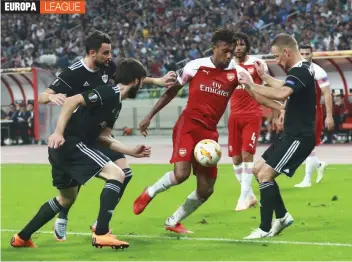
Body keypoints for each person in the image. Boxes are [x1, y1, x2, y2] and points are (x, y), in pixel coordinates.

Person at [133, 27, 282, 234]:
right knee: (181, 174)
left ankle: (173, 221)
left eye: (232, 51)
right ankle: (149, 192)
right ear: (214, 48)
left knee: (206, 189)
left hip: (209, 135)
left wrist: (279, 106)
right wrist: (149, 116)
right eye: (225, 51)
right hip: (188, 126)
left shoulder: (237, 72)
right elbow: (172, 91)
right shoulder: (195, 66)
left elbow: (255, 95)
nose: (229, 55)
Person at [38, 30, 176, 241]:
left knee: (124, 173)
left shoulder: (107, 66)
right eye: (106, 53)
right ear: (92, 53)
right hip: (79, 130)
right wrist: (51, 96)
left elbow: (131, 79)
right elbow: (42, 96)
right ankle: (63, 215)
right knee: (76, 182)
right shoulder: (73, 73)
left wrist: (157, 81)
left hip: (99, 130)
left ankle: (100, 224)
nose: (110, 57)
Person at [11, 58, 151, 249]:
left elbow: (104, 138)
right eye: (142, 81)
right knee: (117, 174)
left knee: (66, 198)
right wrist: (58, 132)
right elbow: (72, 100)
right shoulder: (109, 92)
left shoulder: (116, 103)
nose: (142, 85)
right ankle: (101, 233)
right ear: (136, 81)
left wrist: (131, 152)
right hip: (69, 144)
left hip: (63, 149)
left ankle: (21, 238)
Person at [238, 33, 316, 239]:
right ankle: (282, 216)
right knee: (257, 169)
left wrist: (253, 85)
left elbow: (282, 94)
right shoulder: (302, 70)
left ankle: (264, 228)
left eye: (278, 56)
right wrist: (262, 78)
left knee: (265, 175)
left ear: (287, 52)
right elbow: (281, 87)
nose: (277, 61)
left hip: (299, 137)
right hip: (290, 134)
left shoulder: (301, 70)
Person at [228, 32, 271, 211]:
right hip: (234, 115)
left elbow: (267, 87)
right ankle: (250, 196)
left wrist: (273, 112)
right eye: (235, 45)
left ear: (247, 46)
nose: (238, 48)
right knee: (236, 159)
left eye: (241, 44)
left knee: (247, 155)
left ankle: (242, 198)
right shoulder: (227, 65)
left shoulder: (258, 63)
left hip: (252, 114)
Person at [294, 44, 334, 187]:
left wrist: (329, 116)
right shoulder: (295, 70)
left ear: (312, 55)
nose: (305, 57)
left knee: (308, 146)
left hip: (313, 112)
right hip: (298, 112)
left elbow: (327, 93)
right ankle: (319, 164)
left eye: (307, 54)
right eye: (302, 54)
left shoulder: (317, 71)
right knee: (299, 145)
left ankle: (307, 180)